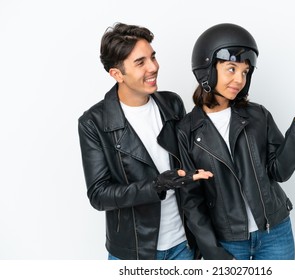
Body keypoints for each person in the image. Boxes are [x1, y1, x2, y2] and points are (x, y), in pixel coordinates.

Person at [177, 23, 295, 260]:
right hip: (228, 240)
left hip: (275, 232)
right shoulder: (186, 130)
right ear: (207, 69)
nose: (239, 79)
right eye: (231, 69)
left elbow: (280, 172)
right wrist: (210, 249)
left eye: (245, 71)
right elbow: (191, 200)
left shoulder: (258, 115)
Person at [78, 22, 213, 260]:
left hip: (183, 245)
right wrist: (156, 186)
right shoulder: (94, 122)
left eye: (153, 57)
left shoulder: (172, 104)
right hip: (134, 252)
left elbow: (190, 173)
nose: (153, 67)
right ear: (116, 74)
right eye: (140, 62)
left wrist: (203, 239)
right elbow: (99, 195)